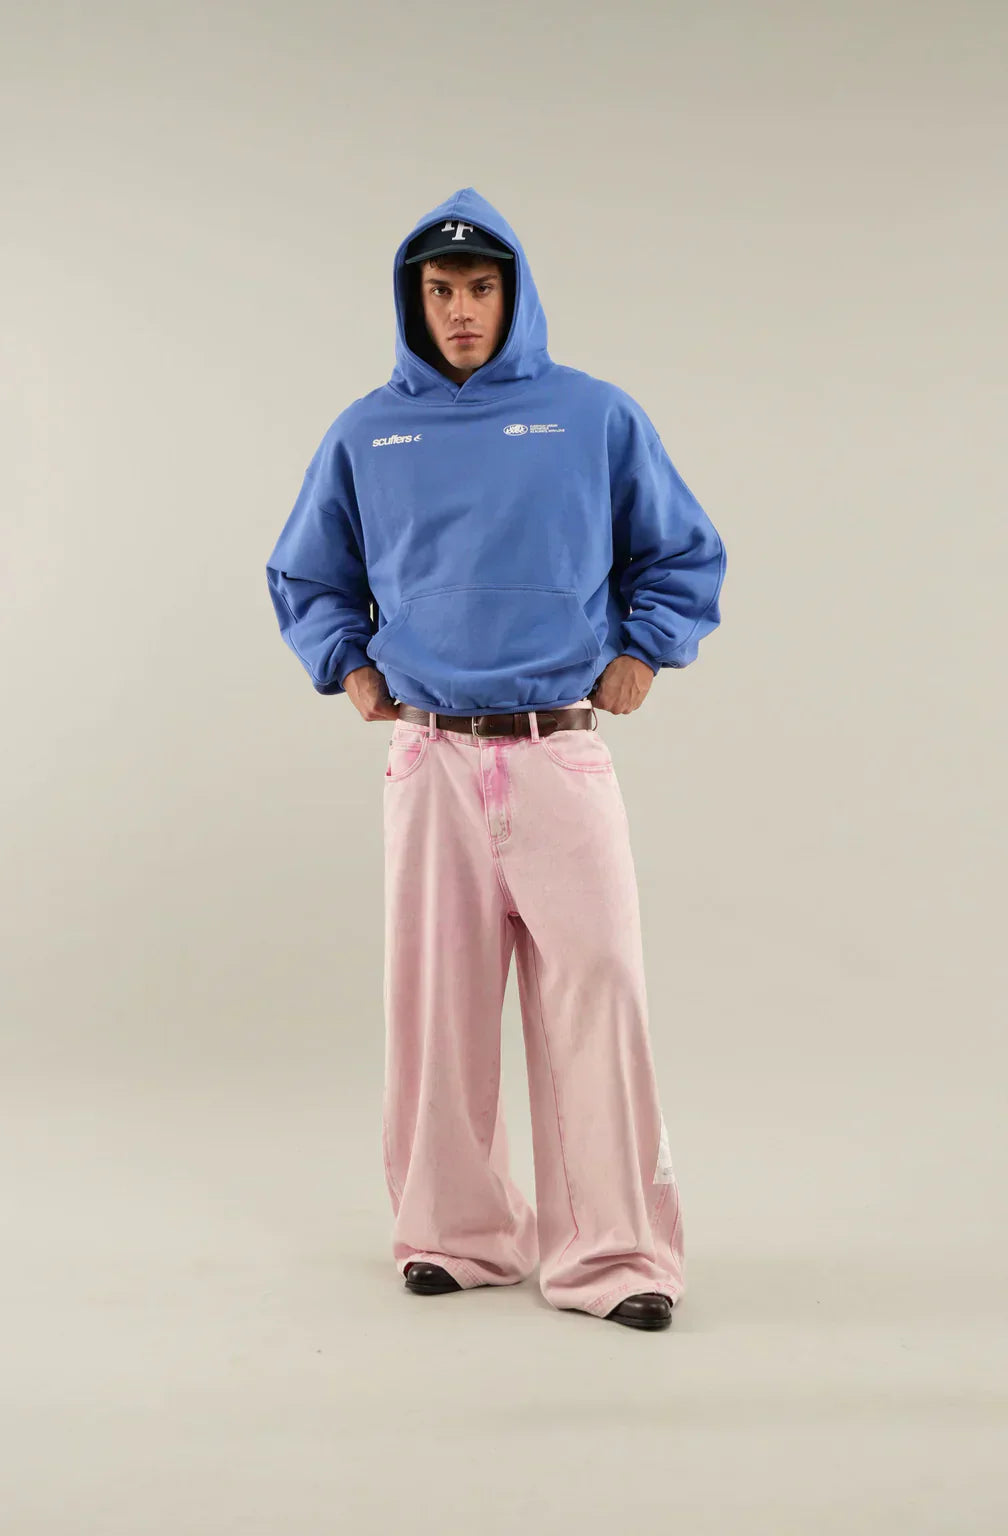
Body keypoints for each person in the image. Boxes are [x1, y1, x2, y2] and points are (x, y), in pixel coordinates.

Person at [266, 187, 726, 1332]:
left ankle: (615, 1255)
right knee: (437, 1006)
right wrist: (349, 667)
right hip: (430, 759)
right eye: (441, 291)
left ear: (514, 297)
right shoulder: (368, 431)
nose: (461, 310)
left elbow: (680, 551)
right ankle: (456, 1237)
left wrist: (645, 652)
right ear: (411, 301)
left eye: (480, 289)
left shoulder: (592, 416)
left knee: (598, 996)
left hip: (555, 750)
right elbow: (308, 573)